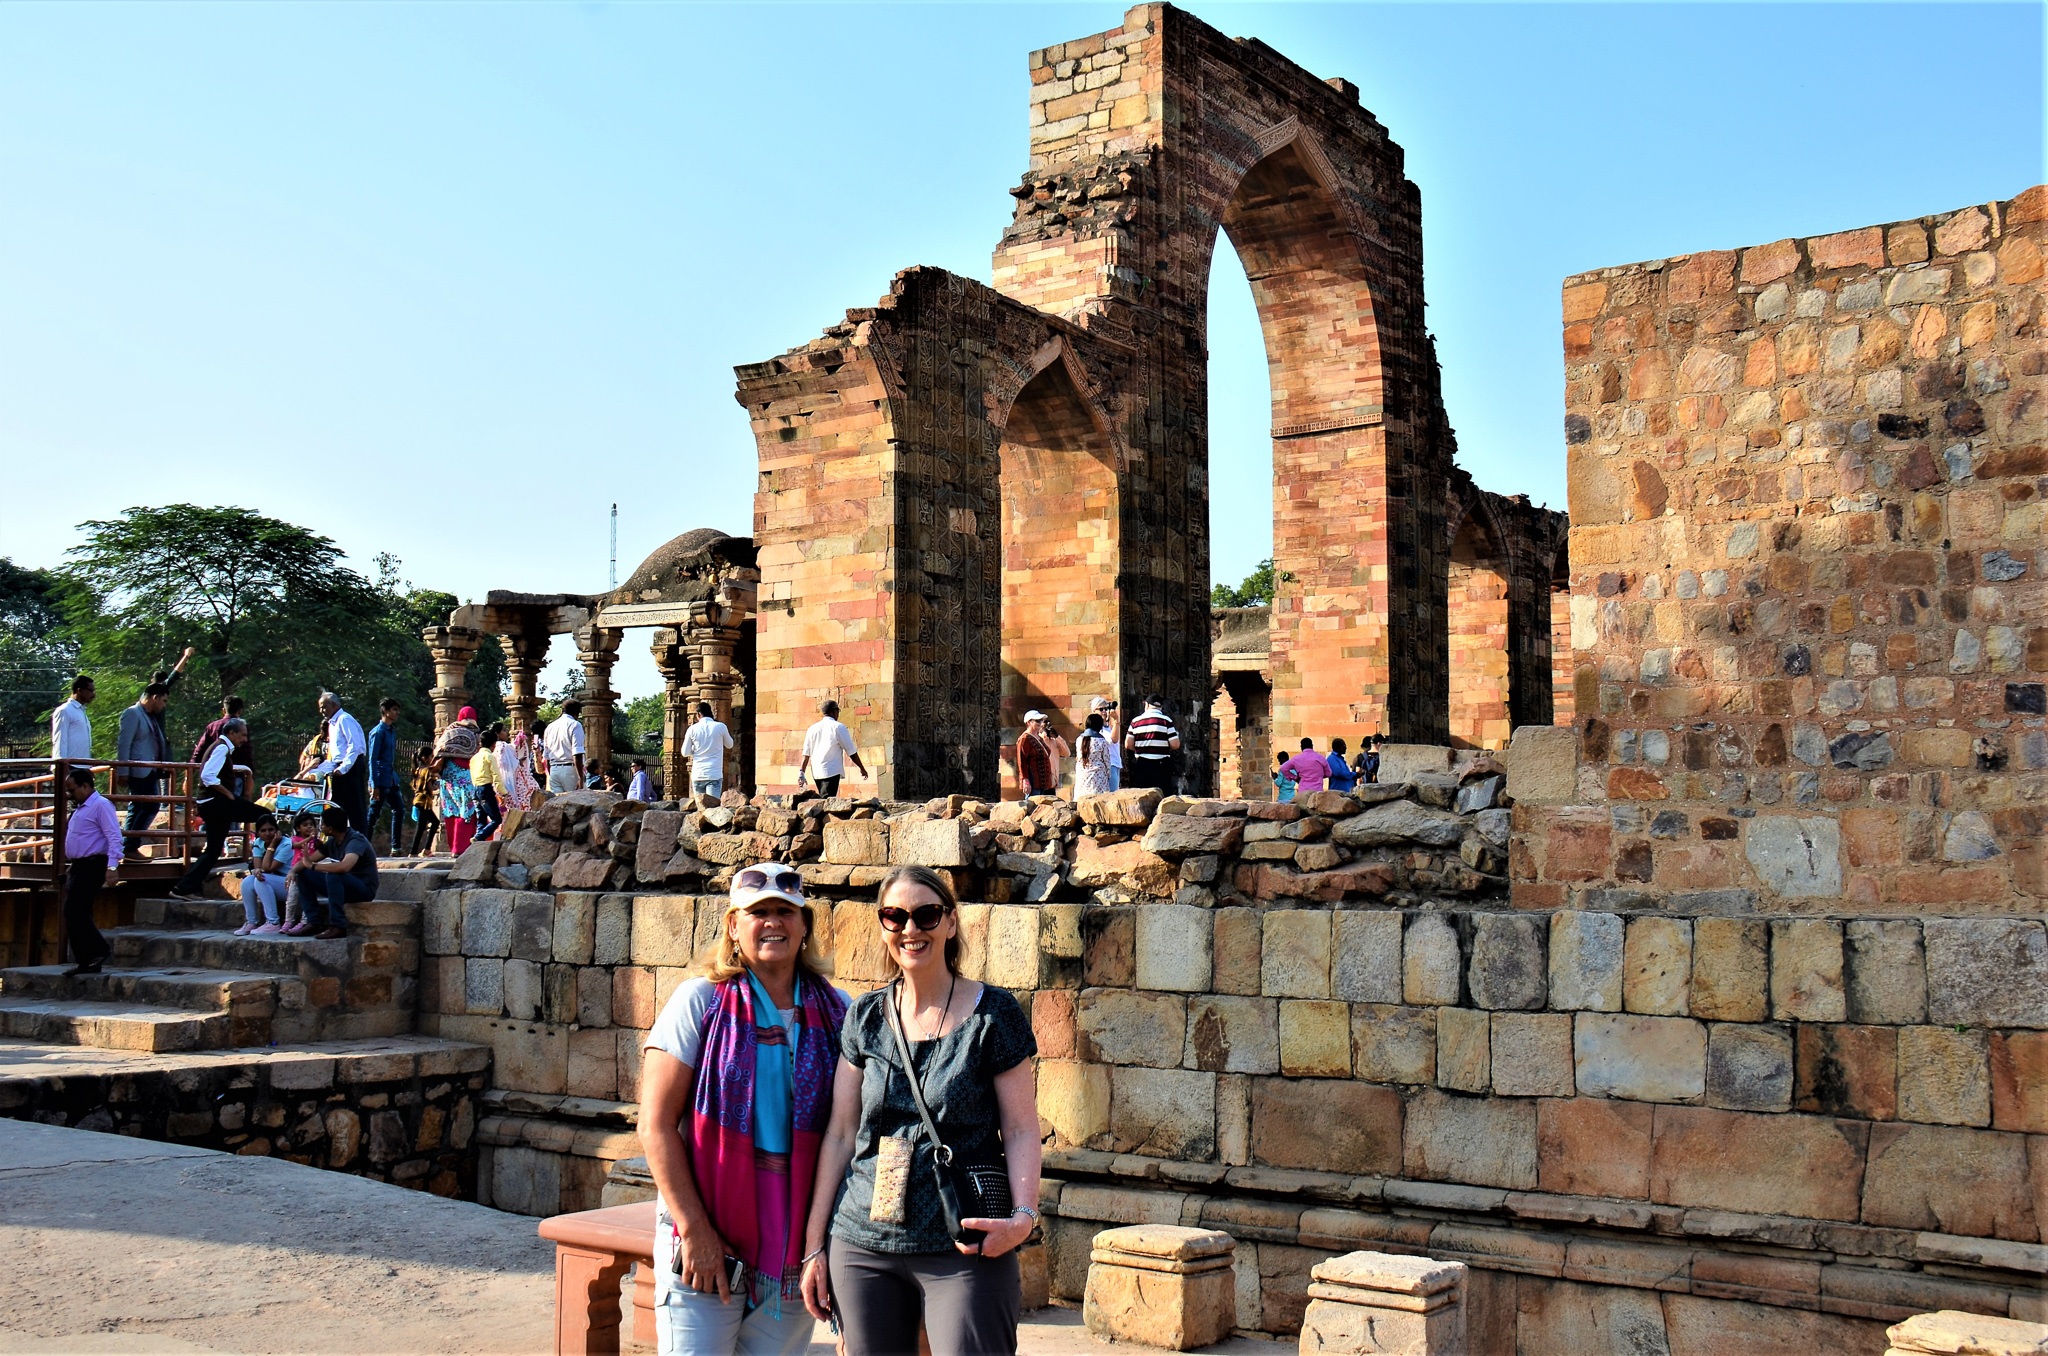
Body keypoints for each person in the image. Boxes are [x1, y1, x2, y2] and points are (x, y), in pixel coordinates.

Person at [800, 866, 1040, 1356]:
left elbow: (1020, 1130)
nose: (911, 930)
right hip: (864, 1240)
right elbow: (842, 1135)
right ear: (884, 925)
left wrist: (1022, 1217)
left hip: (962, 1239)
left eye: (926, 915)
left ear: (950, 923)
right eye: (895, 916)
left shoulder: (993, 1014)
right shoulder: (865, 1016)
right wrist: (814, 1247)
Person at [639, 864, 850, 1356]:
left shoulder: (839, 1012)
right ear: (734, 926)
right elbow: (654, 1125)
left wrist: (821, 1246)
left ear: (805, 927)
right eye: (758, 912)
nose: (773, 922)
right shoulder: (701, 1003)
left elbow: (847, 1133)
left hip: (793, 1254)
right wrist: (696, 1231)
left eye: (785, 912)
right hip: (704, 1245)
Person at [169, 718, 258, 901]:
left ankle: (182, 888)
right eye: (242, 735)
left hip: (213, 804)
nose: (244, 739)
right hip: (216, 803)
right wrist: (229, 794)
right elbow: (208, 776)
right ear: (231, 733)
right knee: (262, 814)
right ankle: (268, 859)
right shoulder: (222, 748)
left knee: (213, 850)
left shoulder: (222, 748)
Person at [57, 766, 121, 977]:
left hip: (93, 864)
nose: (70, 794)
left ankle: (98, 951)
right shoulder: (82, 807)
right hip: (79, 865)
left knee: (73, 910)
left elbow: (113, 836)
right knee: (78, 911)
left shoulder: (101, 806)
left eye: (72, 790)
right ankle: (86, 961)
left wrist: (112, 867)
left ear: (85, 786)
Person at [291, 804, 376, 940]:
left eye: (323, 824)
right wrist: (293, 871)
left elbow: (345, 866)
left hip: (363, 889)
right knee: (304, 874)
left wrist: (313, 867)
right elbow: (309, 860)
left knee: (333, 874)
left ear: (330, 829)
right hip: (342, 886)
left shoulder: (355, 840)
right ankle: (314, 922)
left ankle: (338, 926)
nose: (320, 827)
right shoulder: (333, 841)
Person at [116, 682, 174, 854]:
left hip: (151, 769)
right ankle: (131, 846)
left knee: (138, 807)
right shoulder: (132, 714)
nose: (164, 705)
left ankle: (128, 848)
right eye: (163, 701)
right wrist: (123, 771)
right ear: (154, 697)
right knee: (151, 805)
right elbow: (124, 744)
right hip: (139, 769)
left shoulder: (150, 717)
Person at [307, 692, 369, 834]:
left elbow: (355, 747)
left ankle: (359, 841)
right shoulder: (332, 724)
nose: (321, 711)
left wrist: (344, 768)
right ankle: (342, 840)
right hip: (338, 767)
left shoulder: (344, 719)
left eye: (324, 707)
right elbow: (335, 755)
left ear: (334, 705)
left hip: (350, 766)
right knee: (338, 806)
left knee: (354, 807)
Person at [434, 706, 483, 854]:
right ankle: (462, 848)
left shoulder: (449, 730)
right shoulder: (475, 732)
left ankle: (453, 848)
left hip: (448, 777)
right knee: (466, 811)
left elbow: (438, 750)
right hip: (467, 777)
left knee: (451, 812)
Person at [239, 813, 294, 936]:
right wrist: (257, 870)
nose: (267, 833)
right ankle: (251, 921)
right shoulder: (258, 843)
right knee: (248, 881)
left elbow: (267, 868)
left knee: (262, 878)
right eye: (263, 830)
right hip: (278, 882)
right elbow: (258, 867)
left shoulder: (286, 844)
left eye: (271, 830)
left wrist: (273, 845)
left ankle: (273, 922)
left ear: (277, 830)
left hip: (293, 885)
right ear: (258, 832)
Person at [797, 700, 866, 799]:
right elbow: (851, 752)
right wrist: (862, 768)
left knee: (824, 798)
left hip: (816, 771)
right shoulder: (838, 727)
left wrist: (802, 772)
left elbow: (806, 754)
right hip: (831, 770)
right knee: (827, 801)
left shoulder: (812, 728)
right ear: (834, 712)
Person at [189, 692, 250, 800]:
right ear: (240, 711)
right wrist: (250, 777)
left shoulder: (212, 727)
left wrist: (188, 775)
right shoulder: (242, 729)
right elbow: (247, 755)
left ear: (223, 710)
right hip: (236, 776)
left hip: (213, 780)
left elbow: (199, 751)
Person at [365, 698, 406, 853]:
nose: (397, 713)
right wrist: (373, 783)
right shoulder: (378, 732)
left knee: (400, 809)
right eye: (394, 709)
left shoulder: (391, 730)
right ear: (385, 711)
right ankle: (363, 847)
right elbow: (372, 759)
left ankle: (396, 847)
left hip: (390, 778)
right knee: (374, 813)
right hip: (381, 778)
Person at [1121, 695, 1180, 790]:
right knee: (1162, 796)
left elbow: (1128, 744)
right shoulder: (1166, 721)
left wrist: (1140, 749)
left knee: (1143, 795)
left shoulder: (1135, 721)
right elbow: (1175, 744)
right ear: (1160, 707)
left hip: (1142, 763)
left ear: (1147, 705)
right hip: (1161, 765)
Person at [680, 703, 734, 799]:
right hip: (714, 774)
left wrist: (696, 749)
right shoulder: (720, 727)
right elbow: (729, 745)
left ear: (699, 714)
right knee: (712, 810)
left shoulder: (692, 729)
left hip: (698, 774)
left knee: (700, 809)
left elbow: (685, 752)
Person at [1011, 711, 1068, 800]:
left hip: (1043, 780)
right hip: (1033, 778)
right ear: (1029, 722)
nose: (1040, 723)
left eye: (1041, 721)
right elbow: (1022, 761)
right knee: (1033, 805)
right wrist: (1025, 780)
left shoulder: (1039, 738)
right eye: (1037, 721)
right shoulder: (1024, 739)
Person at [543, 700, 587, 794]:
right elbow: (577, 753)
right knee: (576, 803)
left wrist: (551, 775)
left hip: (554, 769)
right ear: (576, 713)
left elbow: (546, 756)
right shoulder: (575, 725)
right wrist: (580, 777)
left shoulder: (550, 727)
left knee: (558, 805)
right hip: (570, 770)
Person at [472, 728, 506, 842]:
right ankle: (479, 837)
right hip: (485, 789)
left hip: (475, 789)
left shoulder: (474, 757)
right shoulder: (489, 757)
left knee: (481, 820)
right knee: (496, 819)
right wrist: (503, 792)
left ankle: (477, 843)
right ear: (494, 744)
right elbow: (496, 775)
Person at [50, 675, 94, 762]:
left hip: (82, 766)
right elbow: (60, 741)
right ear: (79, 690)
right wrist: (62, 769)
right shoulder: (65, 710)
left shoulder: (81, 712)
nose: (93, 695)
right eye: (90, 691)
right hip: (70, 767)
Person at [408, 747, 443, 856]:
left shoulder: (418, 769)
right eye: (431, 756)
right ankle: (426, 849)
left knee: (421, 826)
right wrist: (437, 784)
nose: (432, 758)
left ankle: (414, 852)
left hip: (418, 800)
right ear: (424, 757)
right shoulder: (427, 771)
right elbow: (429, 787)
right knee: (435, 822)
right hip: (424, 801)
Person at [1073, 711, 1115, 799]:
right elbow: (1106, 760)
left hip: (1082, 775)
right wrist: (1108, 774)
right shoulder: (1102, 741)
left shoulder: (1079, 739)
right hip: (1098, 776)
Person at [499, 729, 539, 817]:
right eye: (504, 730)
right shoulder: (503, 747)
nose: (506, 733)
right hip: (509, 780)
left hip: (509, 780)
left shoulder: (506, 748)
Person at [1089, 697, 1123, 791]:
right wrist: (1116, 720)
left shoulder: (1109, 727)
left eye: (1106, 708)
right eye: (1101, 709)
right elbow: (1113, 739)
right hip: (1106, 765)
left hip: (1115, 763)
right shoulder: (1096, 729)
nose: (1104, 711)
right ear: (1094, 710)